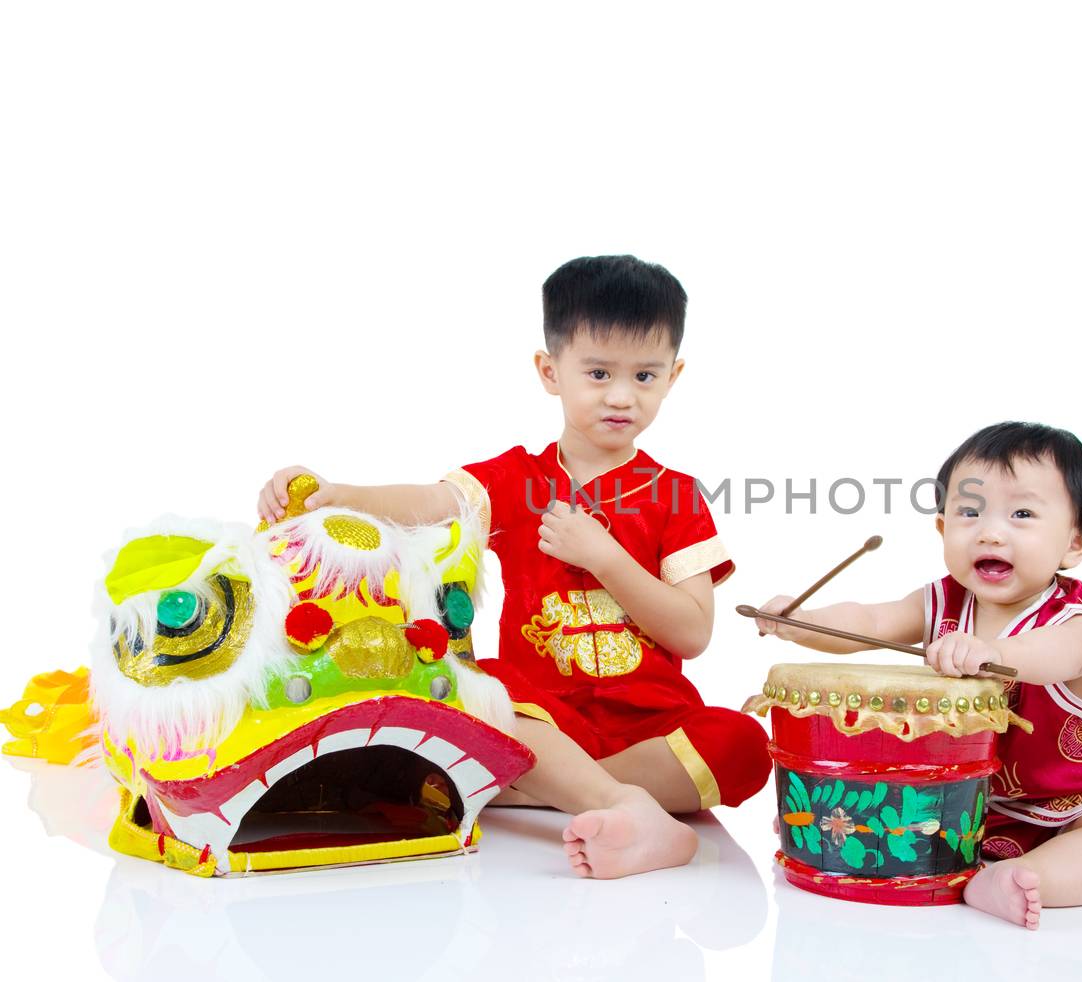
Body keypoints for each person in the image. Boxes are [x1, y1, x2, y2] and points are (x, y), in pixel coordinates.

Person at [258, 254, 771, 875]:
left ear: (674, 376)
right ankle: (621, 806)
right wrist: (342, 494)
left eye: (645, 375)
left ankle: (539, 790)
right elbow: (428, 504)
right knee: (483, 689)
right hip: (544, 716)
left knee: (744, 744)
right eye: (599, 371)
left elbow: (691, 632)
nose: (620, 395)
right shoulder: (518, 478)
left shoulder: (678, 495)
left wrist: (605, 558)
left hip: (653, 726)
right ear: (550, 371)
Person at [756, 422, 1082, 930]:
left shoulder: (1078, 624)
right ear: (944, 529)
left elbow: (1067, 655)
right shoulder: (943, 600)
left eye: (1023, 514)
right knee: (889, 791)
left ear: (1076, 542)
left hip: (1077, 800)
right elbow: (871, 621)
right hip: (963, 805)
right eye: (970, 513)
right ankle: (836, 833)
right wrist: (801, 623)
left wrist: (990, 650)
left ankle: (1023, 877)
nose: (990, 531)